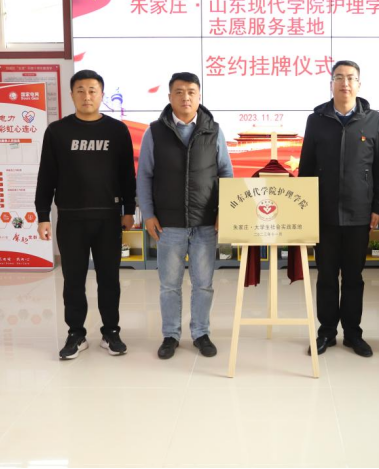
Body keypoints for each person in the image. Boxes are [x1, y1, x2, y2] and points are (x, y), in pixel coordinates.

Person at [35, 69, 136, 360]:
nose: (87, 96)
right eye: (80, 90)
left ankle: (111, 332)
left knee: (109, 279)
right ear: (72, 95)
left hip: (108, 218)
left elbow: (126, 174)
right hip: (71, 218)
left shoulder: (117, 131)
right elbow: (46, 175)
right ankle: (76, 334)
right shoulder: (57, 131)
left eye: (93, 90)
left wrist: (129, 210)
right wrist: (43, 215)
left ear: (102, 95)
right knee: (73, 280)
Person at [137, 72, 233, 360]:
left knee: (203, 284)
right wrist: (148, 214)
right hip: (169, 224)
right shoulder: (154, 132)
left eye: (191, 91)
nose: (185, 97)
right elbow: (144, 175)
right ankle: (170, 335)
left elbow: (225, 172)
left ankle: (201, 333)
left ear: (199, 96)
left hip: (205, 223)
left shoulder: (214, 130)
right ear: (170, 97)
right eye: (179, 92)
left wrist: (224, 210)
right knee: (169, 285)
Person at [298, 60, 379, 358]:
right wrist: (306, 210)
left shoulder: (374, 120)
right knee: (326, 276)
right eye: (339, 77)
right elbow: (306, 168)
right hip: (323, 213)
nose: (345, 83)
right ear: (331, 84)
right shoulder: (316, 120)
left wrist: (378, 208)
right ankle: (326, 331)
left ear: (359, 84)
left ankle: (353, 333)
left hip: (359, 214)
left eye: (351, 78)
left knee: (353, 277)